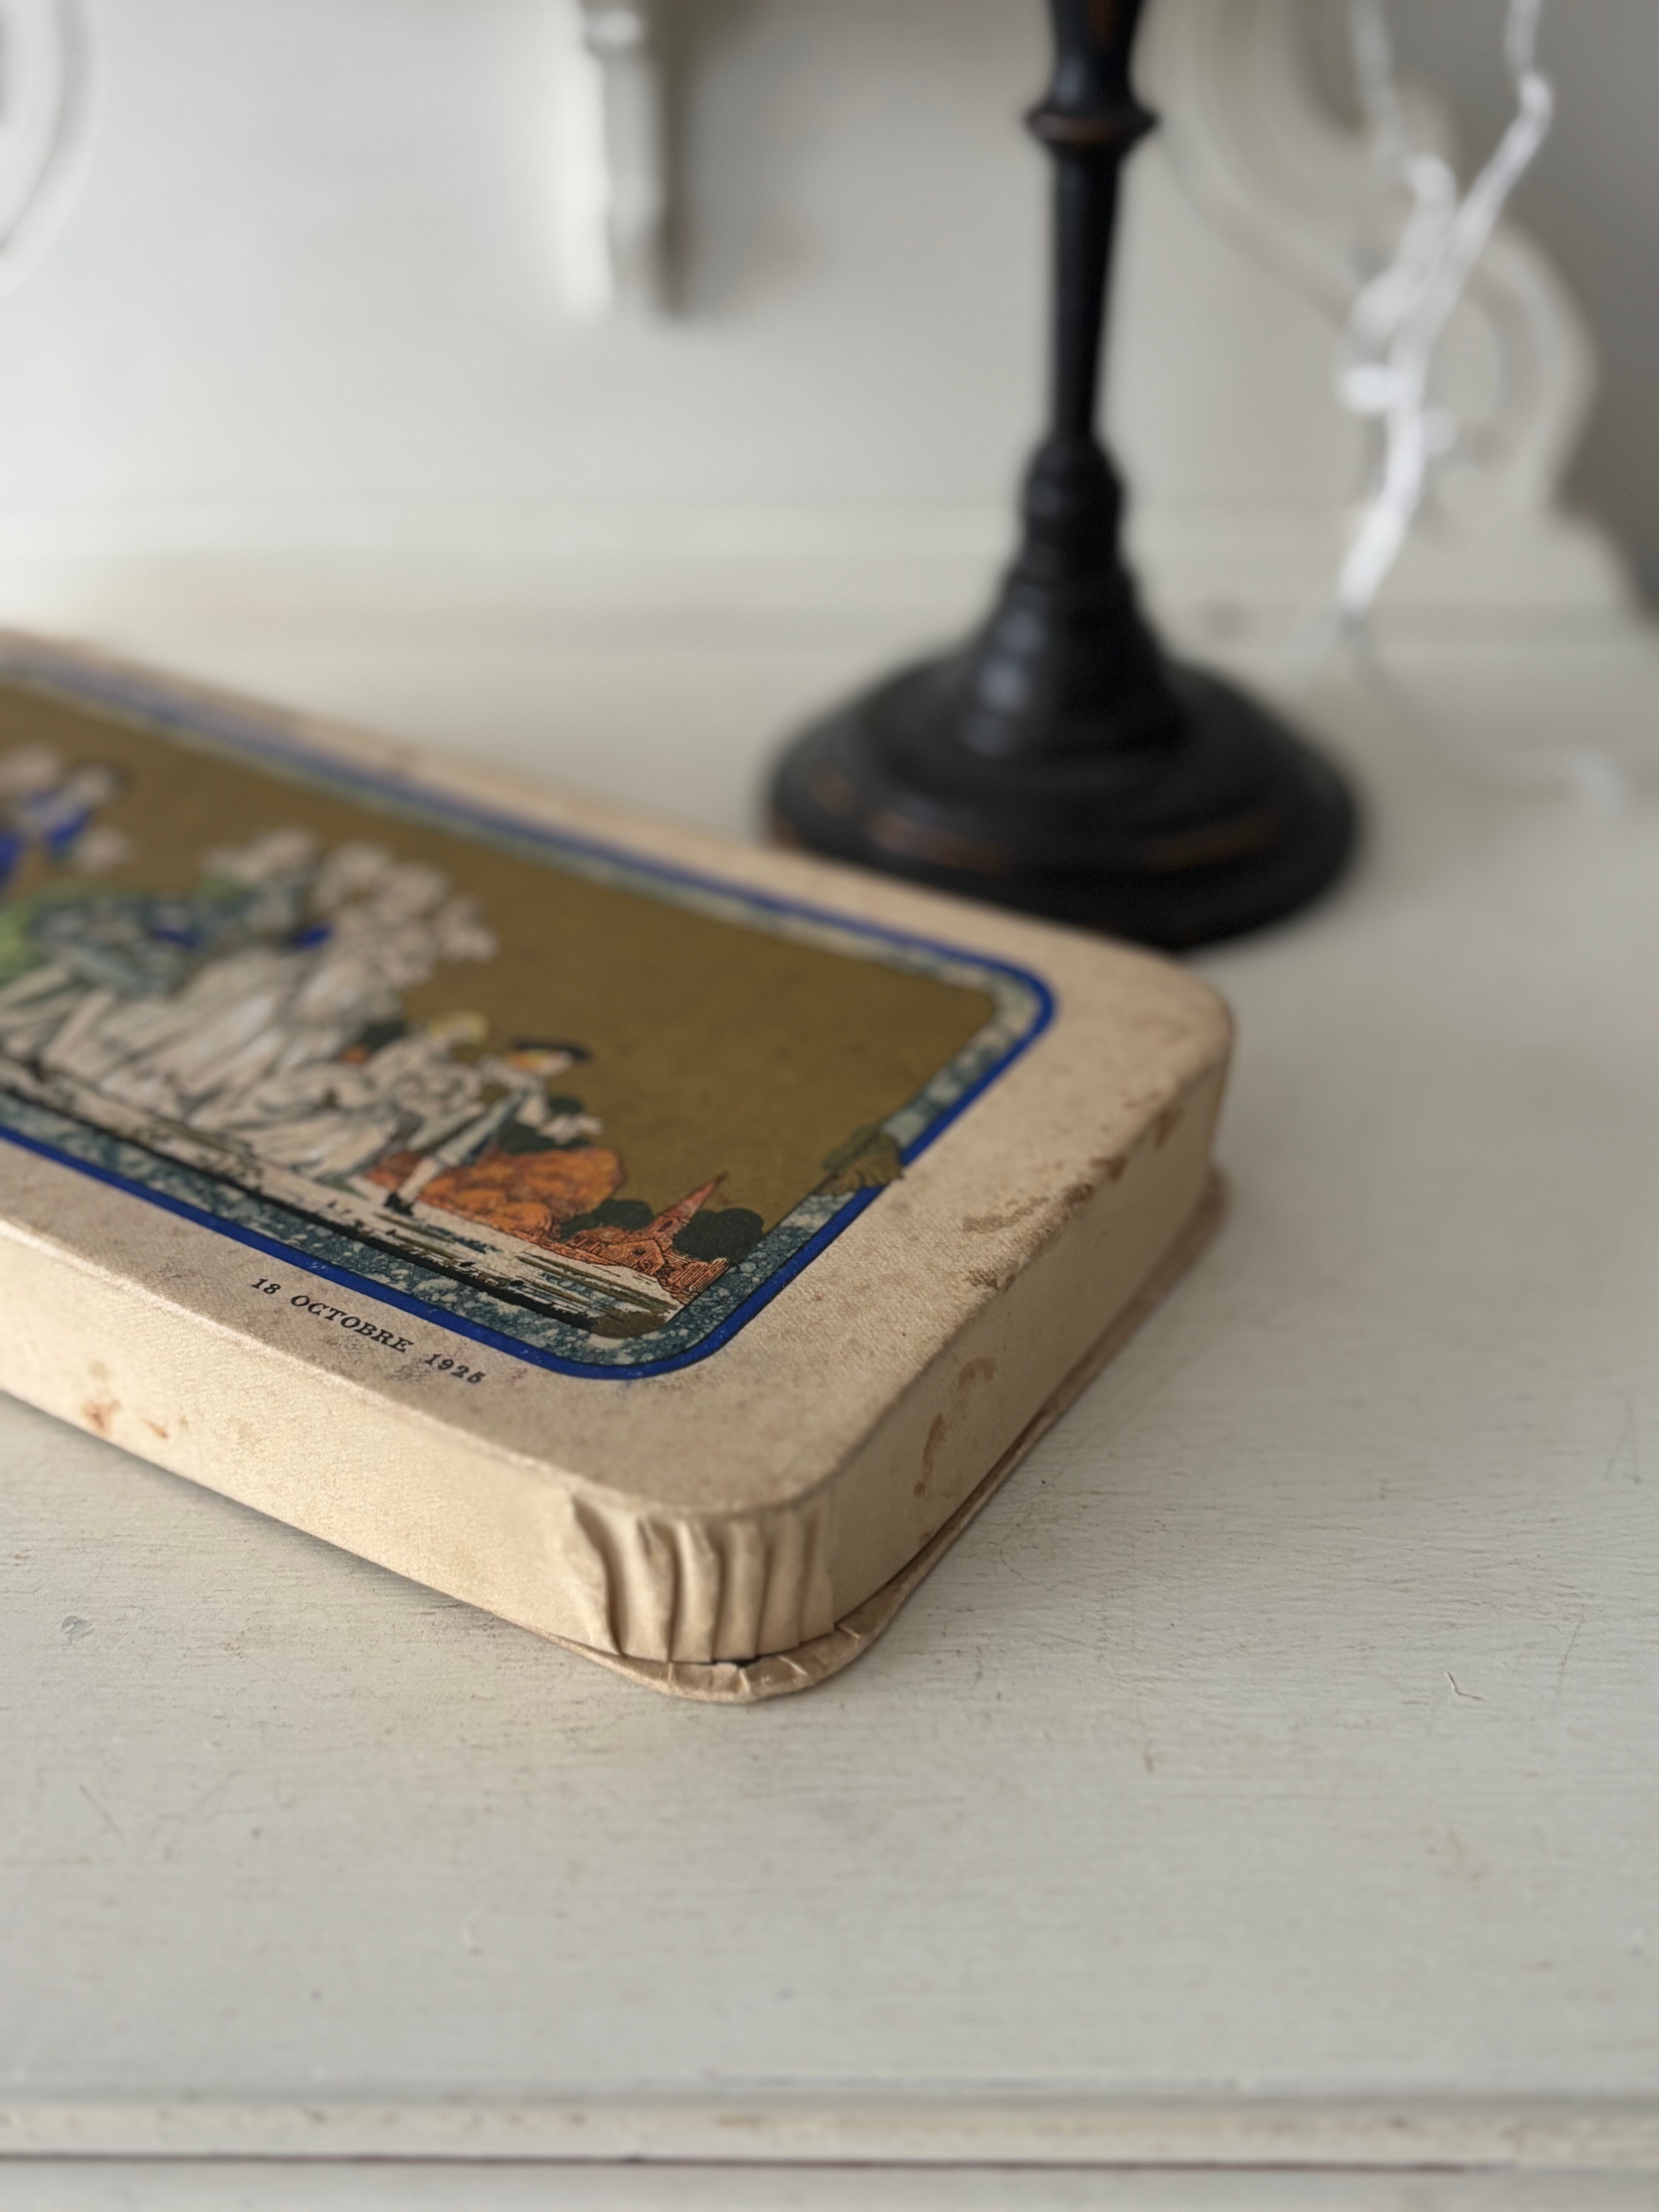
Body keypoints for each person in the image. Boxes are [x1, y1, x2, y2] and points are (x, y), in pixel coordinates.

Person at [383, 1042, 599, 1216]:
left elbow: (537, 1118)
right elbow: (467, 1081)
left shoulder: (532, 1086)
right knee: (412, 1142)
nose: (556, 1067)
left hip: (479, 1129)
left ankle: (404, 1195)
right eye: (556, 1060)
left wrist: (575, 1123)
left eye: (562, 1065)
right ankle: (396, 1187)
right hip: (455, 1114)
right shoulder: (498, 1066)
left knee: (442, 1159)